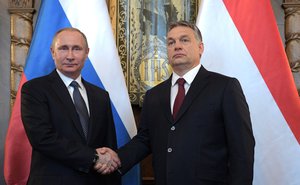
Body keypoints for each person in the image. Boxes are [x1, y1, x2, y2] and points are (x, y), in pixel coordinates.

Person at [101, 21, 255, 185]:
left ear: (200, 48)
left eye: (184, 40)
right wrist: (117, 158)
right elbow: (145, 140)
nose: (177, 46)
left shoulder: (225, 87)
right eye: (171, 42)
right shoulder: (154, 95)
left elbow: (242, 149)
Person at [21, 27, 121, 185]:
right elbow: (42, 138)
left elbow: (108, 145)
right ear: (53, 52)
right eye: (63, 48)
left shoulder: (101, 96)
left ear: (87, 53)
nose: (70, 56)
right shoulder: (34, 89)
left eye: (76, 49)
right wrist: (93, 157)